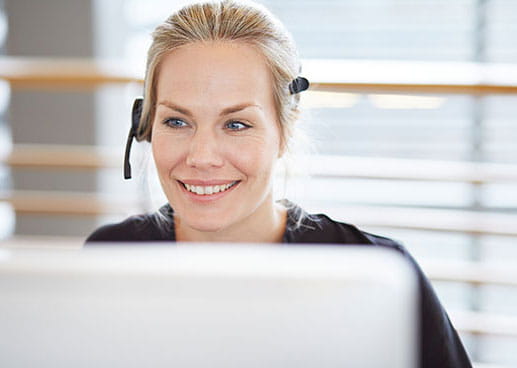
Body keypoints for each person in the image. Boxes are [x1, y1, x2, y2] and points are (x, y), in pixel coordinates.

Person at [86, 1, 472, 367]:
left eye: (236, 124)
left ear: (284, 132)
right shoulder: (108, 259)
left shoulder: (379, 275)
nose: (202, 156)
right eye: (177, 122)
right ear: (146, 127)